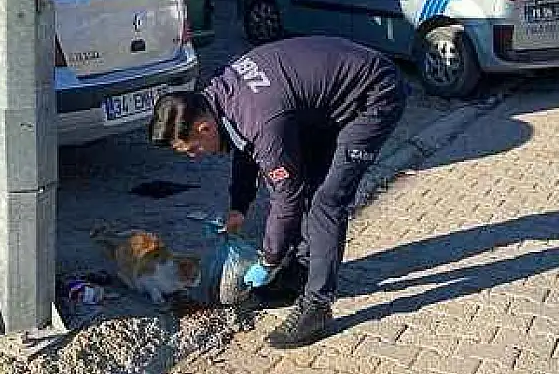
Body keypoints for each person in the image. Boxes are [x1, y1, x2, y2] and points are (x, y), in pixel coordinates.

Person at [149, 36, 407, 348]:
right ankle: (298, 273)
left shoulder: (261, 118)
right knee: (309, 183)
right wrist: (239, 206)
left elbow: (286, 197)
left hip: (373, 94)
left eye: (192, 149)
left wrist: (269, 259)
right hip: (322, 102)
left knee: (326, 202)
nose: (195, 155)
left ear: (204, 128)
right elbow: (245, 145)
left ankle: (317, 306)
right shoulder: (217, 95)